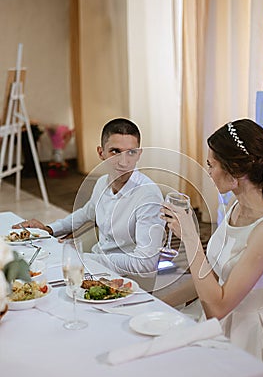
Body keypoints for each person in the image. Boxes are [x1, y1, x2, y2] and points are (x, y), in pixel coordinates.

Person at [161, 118, 263, 373]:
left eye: (211, 165)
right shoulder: (235, 208)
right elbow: (211, 276)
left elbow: (218, 307)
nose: (209, 172)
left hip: (246, 338)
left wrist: (191, 238)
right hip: (217, 325)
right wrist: (157, 302)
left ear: (234, 172)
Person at [13, 118, 165, 289]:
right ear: (101, 153)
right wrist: (50, 229)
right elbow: (86, 213)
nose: (124, 162)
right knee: (33, 277)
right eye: (115, 151)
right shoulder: (102, 183)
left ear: (139, 154)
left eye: (131, 152)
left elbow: (145, 262)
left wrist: (84, 258)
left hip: (125, 282)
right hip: (94, 269)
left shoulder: (148, 196)